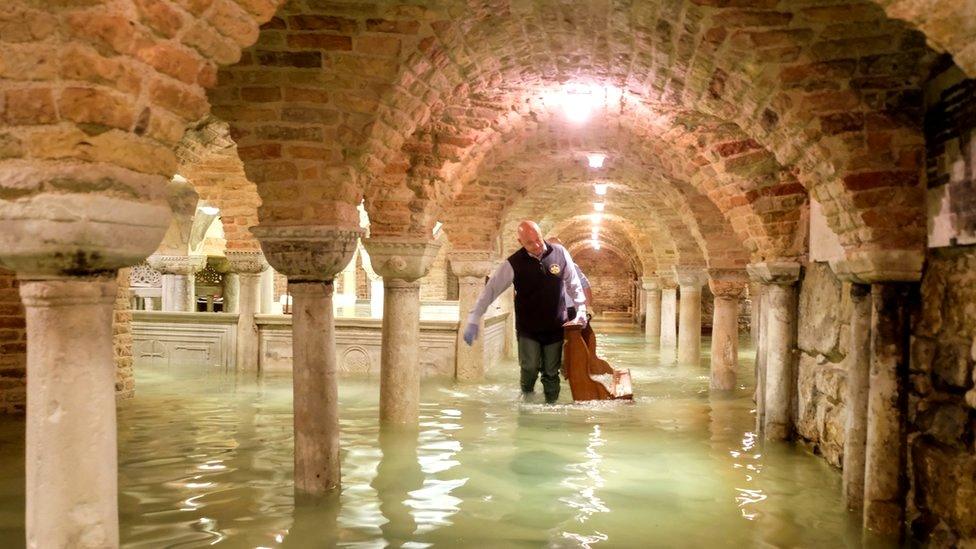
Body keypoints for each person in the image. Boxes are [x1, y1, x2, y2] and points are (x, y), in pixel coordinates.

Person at [462, 220, 587, 403]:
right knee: (529, 367)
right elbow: (491, 290)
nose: (537, 245)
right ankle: (527, 402)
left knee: (551, 372)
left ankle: (551, 408)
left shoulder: (559, 253)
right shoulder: (514, 263)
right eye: (530, 242)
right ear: (521, 242)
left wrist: (581, 309)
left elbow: (574, 284)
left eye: (538, 239)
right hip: (529, 327)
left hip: (555, 325)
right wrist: (474, 317)